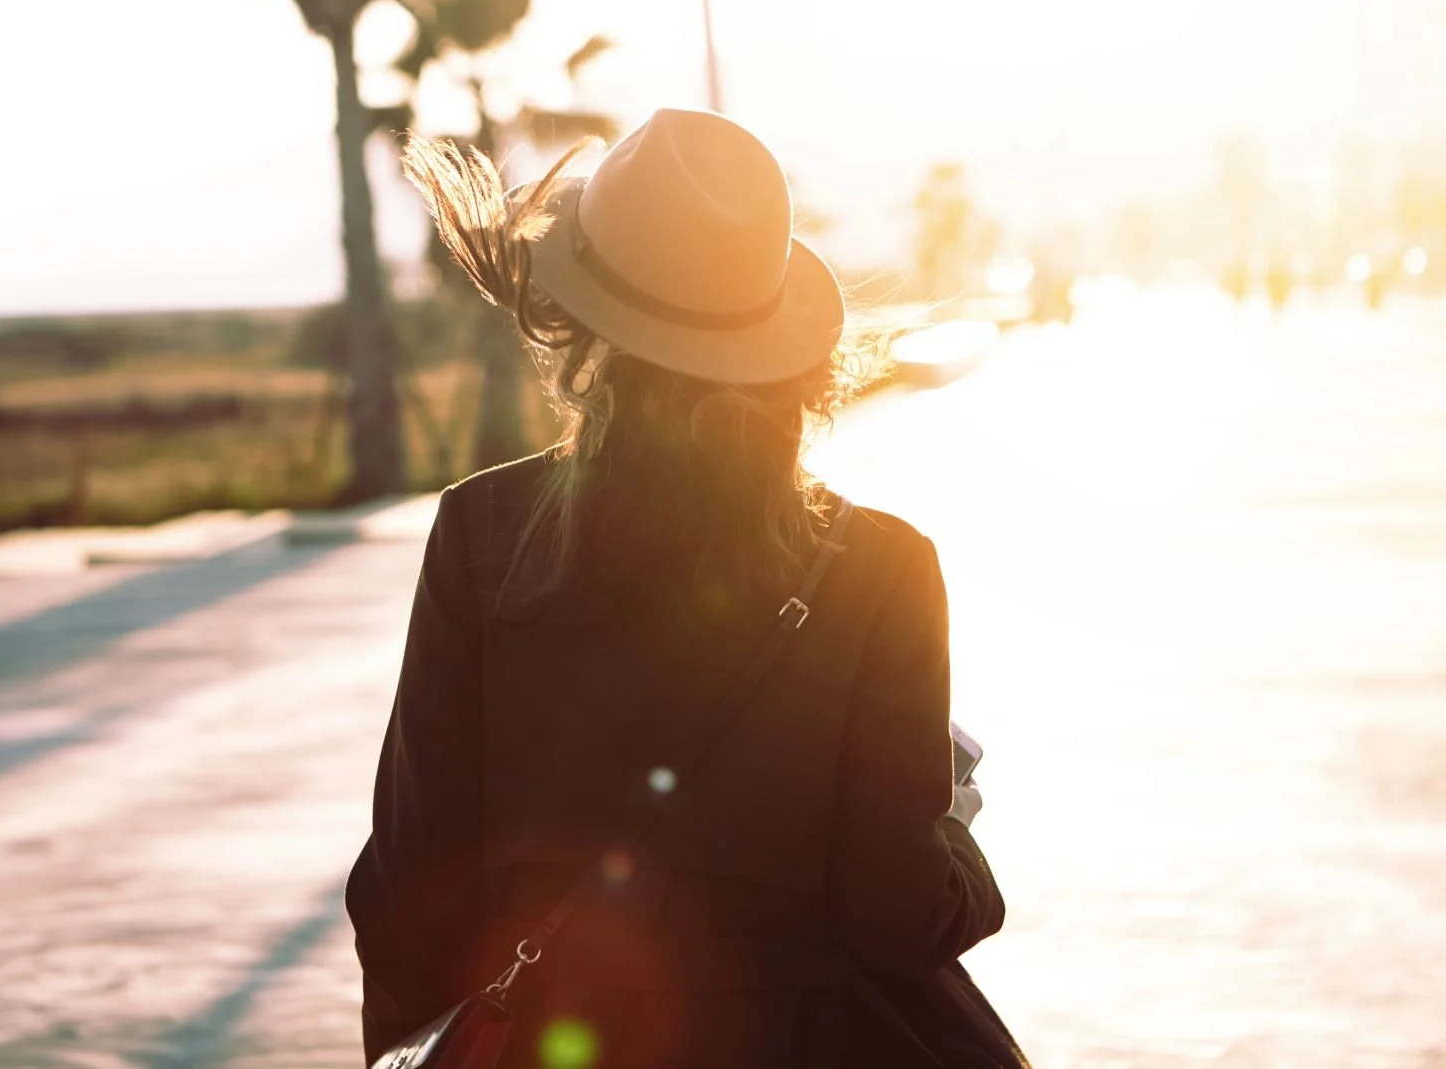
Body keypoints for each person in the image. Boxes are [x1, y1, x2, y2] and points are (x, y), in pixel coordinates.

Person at [348, 109, 1011, 1068]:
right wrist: (952, 832)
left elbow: (410, 890)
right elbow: (896, 915)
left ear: (583, 331)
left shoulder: (481, 537)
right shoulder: (883, 568)